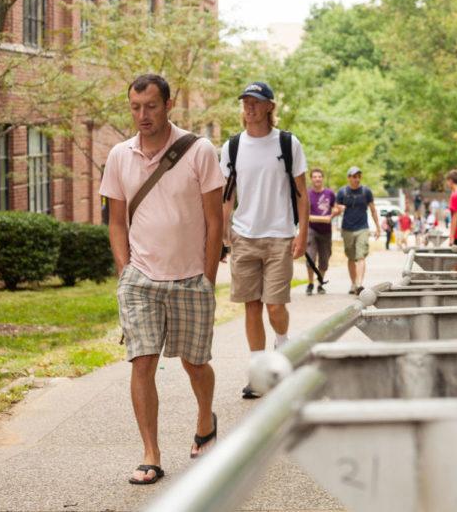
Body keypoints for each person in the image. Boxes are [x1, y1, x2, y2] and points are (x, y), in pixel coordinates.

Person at [101, 74, 224, 484]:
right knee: (143, 362)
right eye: (136, 108)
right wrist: (125, 272)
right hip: (141, 279)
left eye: (151, 106)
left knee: (195, 363)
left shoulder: (199, 151)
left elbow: (213, 220)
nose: (142, 115)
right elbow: (116, 222)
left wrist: (207, 277)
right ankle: (150, 453)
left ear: (168, 105)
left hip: (191, 278)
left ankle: (205, 418)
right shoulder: (120, 155)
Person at [221, 81, 309, 399]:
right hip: (245, 236)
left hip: (279, 236)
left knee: (274, 306)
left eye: (256, 102)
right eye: (245, 101)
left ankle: (283, 346)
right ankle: (258, 372)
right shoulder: (232, 147)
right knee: (251, 306)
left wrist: (302, 233)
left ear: (269, 106)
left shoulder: (287, 143)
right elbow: (226, 195)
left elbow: (301, 193)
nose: (249, 107)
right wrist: (223, 230)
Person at [335, 166, 381, 294]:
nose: (357, 179)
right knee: (351, 257)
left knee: (360, 256)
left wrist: (378, 227)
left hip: (362, 228)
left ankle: (359, 284)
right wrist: (338, 208)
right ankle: (353, 283)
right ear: (349, 178)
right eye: (354, 176)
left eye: (358, 176)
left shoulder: (366, 192)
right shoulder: (342, 192)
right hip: (347, 228)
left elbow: (373, 210)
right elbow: (335, 208)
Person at [306, 168, 335, 295]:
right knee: (310, 258)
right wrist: (324, 218)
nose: (317, 178)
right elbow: (305, 215)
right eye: (315, 176)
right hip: (311, 229)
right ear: (311, 179)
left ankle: (320, 284)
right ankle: (310, 283)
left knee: (324, 259)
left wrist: (334, 214)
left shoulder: (330, 193)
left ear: (322, 178)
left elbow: (335, 208)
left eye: (319, 176)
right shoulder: (307, 194)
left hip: (326, 232)